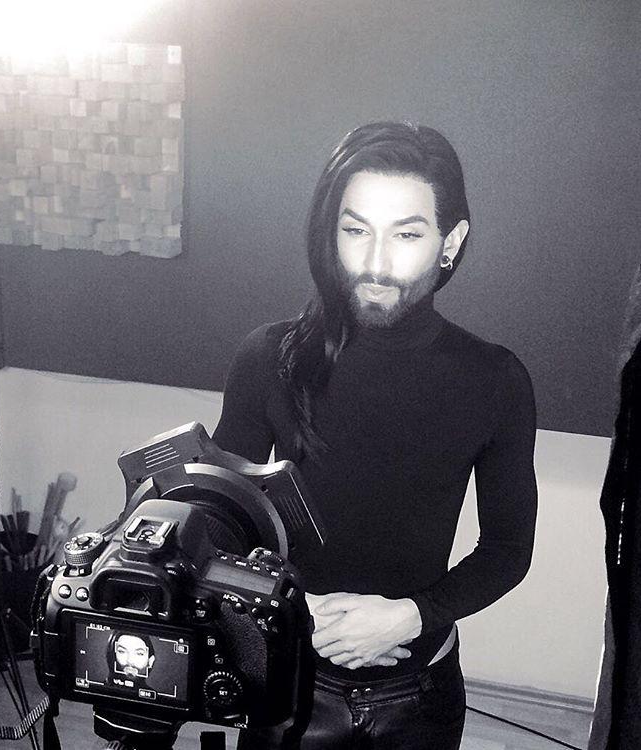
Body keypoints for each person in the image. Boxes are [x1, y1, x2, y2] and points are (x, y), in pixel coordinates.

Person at [213, 121, 538, 749]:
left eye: (407, 235)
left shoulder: (494, 379)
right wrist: (290, 607)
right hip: (289, 685)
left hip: (419, 700)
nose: (376, 263)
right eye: (356, 230)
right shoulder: (267, 357)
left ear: (450, 242)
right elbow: (222, 525)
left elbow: (507, 548)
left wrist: (410, 617)